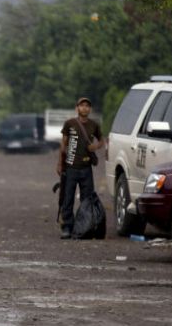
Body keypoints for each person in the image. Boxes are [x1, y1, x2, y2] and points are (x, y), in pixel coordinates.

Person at [56, 97, 105, 239]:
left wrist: (95, 146)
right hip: (71, 167)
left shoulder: (93, 125)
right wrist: (60, 163)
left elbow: (102, 140)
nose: (85, 108)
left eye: (87, 106)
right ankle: (67, 227)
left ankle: (84, 226)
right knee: (67, 198)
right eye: (82, 105)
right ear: (77, 108)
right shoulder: (69, 124)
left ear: (90, 109)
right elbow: (63, 144)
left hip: (86, 168)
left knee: (87, 199)